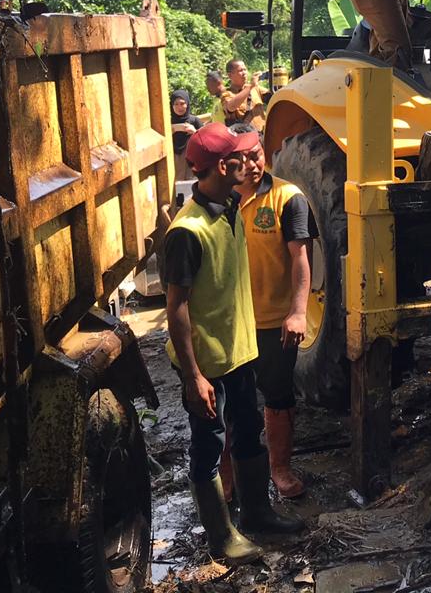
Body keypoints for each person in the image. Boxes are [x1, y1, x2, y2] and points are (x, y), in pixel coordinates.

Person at [164, 124, 302, 564]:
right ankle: (222, 537)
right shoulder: (188, 231)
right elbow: (176, 307)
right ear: (224, 167)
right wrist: (193, 377)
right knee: (208, 446)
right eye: (240, 157)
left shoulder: (231, 209)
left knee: (248, 434)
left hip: (239, 352)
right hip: (208, 364)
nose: (249, 162)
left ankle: (257, 514)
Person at [223, 125, 312, 499]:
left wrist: (298, 312)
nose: (251, 165)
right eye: (241, 159)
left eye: (256, 155)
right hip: (230, 324)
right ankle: (227, 478)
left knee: (277, 394)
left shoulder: (288, 198)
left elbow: (300, 258)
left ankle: (280, 469)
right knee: (229, 403)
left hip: (274, 322)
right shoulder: (220, 201)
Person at [221, 59, 266, 131]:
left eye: (245, 70)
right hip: (245, 135)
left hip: (262, 134)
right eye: (240, 70)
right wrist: (251, 86)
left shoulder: (256, 89)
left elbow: (274, 96)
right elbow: (231, 107)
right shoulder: (227, 94)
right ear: (230, 75)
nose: (244, 73)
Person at [170, 89, 200, 182]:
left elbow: (206, 140)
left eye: (182, 103)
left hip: (191, 163)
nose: (179, 107)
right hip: (173, 163)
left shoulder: (194, 121)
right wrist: (169, 132)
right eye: (176, 104)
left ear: (187, 104)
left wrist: (195, 132)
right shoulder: (167, 122)